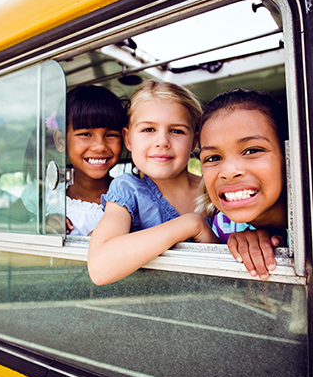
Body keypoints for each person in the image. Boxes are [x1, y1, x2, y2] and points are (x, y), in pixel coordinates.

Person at [88, 80, 218, 285]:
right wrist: (190, 224)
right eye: (148, 129)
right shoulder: (128, 190)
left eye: (177, 130)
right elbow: (100, 268)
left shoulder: (216, 188)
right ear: (128, 139)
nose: (162, 141)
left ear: (194, 141)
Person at [197, 89, 288, 281]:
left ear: (288, 154)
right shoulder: (221, 227)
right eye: (213, 158)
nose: (229, 171)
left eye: (252, 150)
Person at [44, 85, 127, 236]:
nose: (100, 146)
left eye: (111, 135)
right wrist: (40, 227)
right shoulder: (46, 199)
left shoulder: (135, 201)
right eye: (86, 134)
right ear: (61, 141)